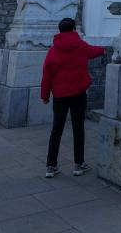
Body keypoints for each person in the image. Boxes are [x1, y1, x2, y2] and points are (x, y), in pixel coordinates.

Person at [40, 17, 104, 178]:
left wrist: (45, 95)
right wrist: (104, 49)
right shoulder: (81, 46)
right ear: (74, 29)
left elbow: (47, 75)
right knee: (78, 128)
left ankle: (51, 166)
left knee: (57, 129)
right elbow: (94, 51)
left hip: (60, 95)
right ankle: (78, 165)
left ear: (59, 31)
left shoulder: (53, 51)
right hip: (78, 94)